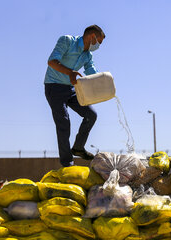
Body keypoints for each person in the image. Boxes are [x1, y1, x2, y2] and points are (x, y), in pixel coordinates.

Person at [44, 25, 105, 167]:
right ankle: (67, 163)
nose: (98, 46)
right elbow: (52, 61)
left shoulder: (87, 55)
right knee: (63, 122)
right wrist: (70, 72)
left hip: (71, 89)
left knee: (91, 114)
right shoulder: (67, 41)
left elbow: (92, 73)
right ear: (92, 37)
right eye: (99, 42)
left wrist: (104, 82)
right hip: (54, 86)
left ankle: (78, 147)